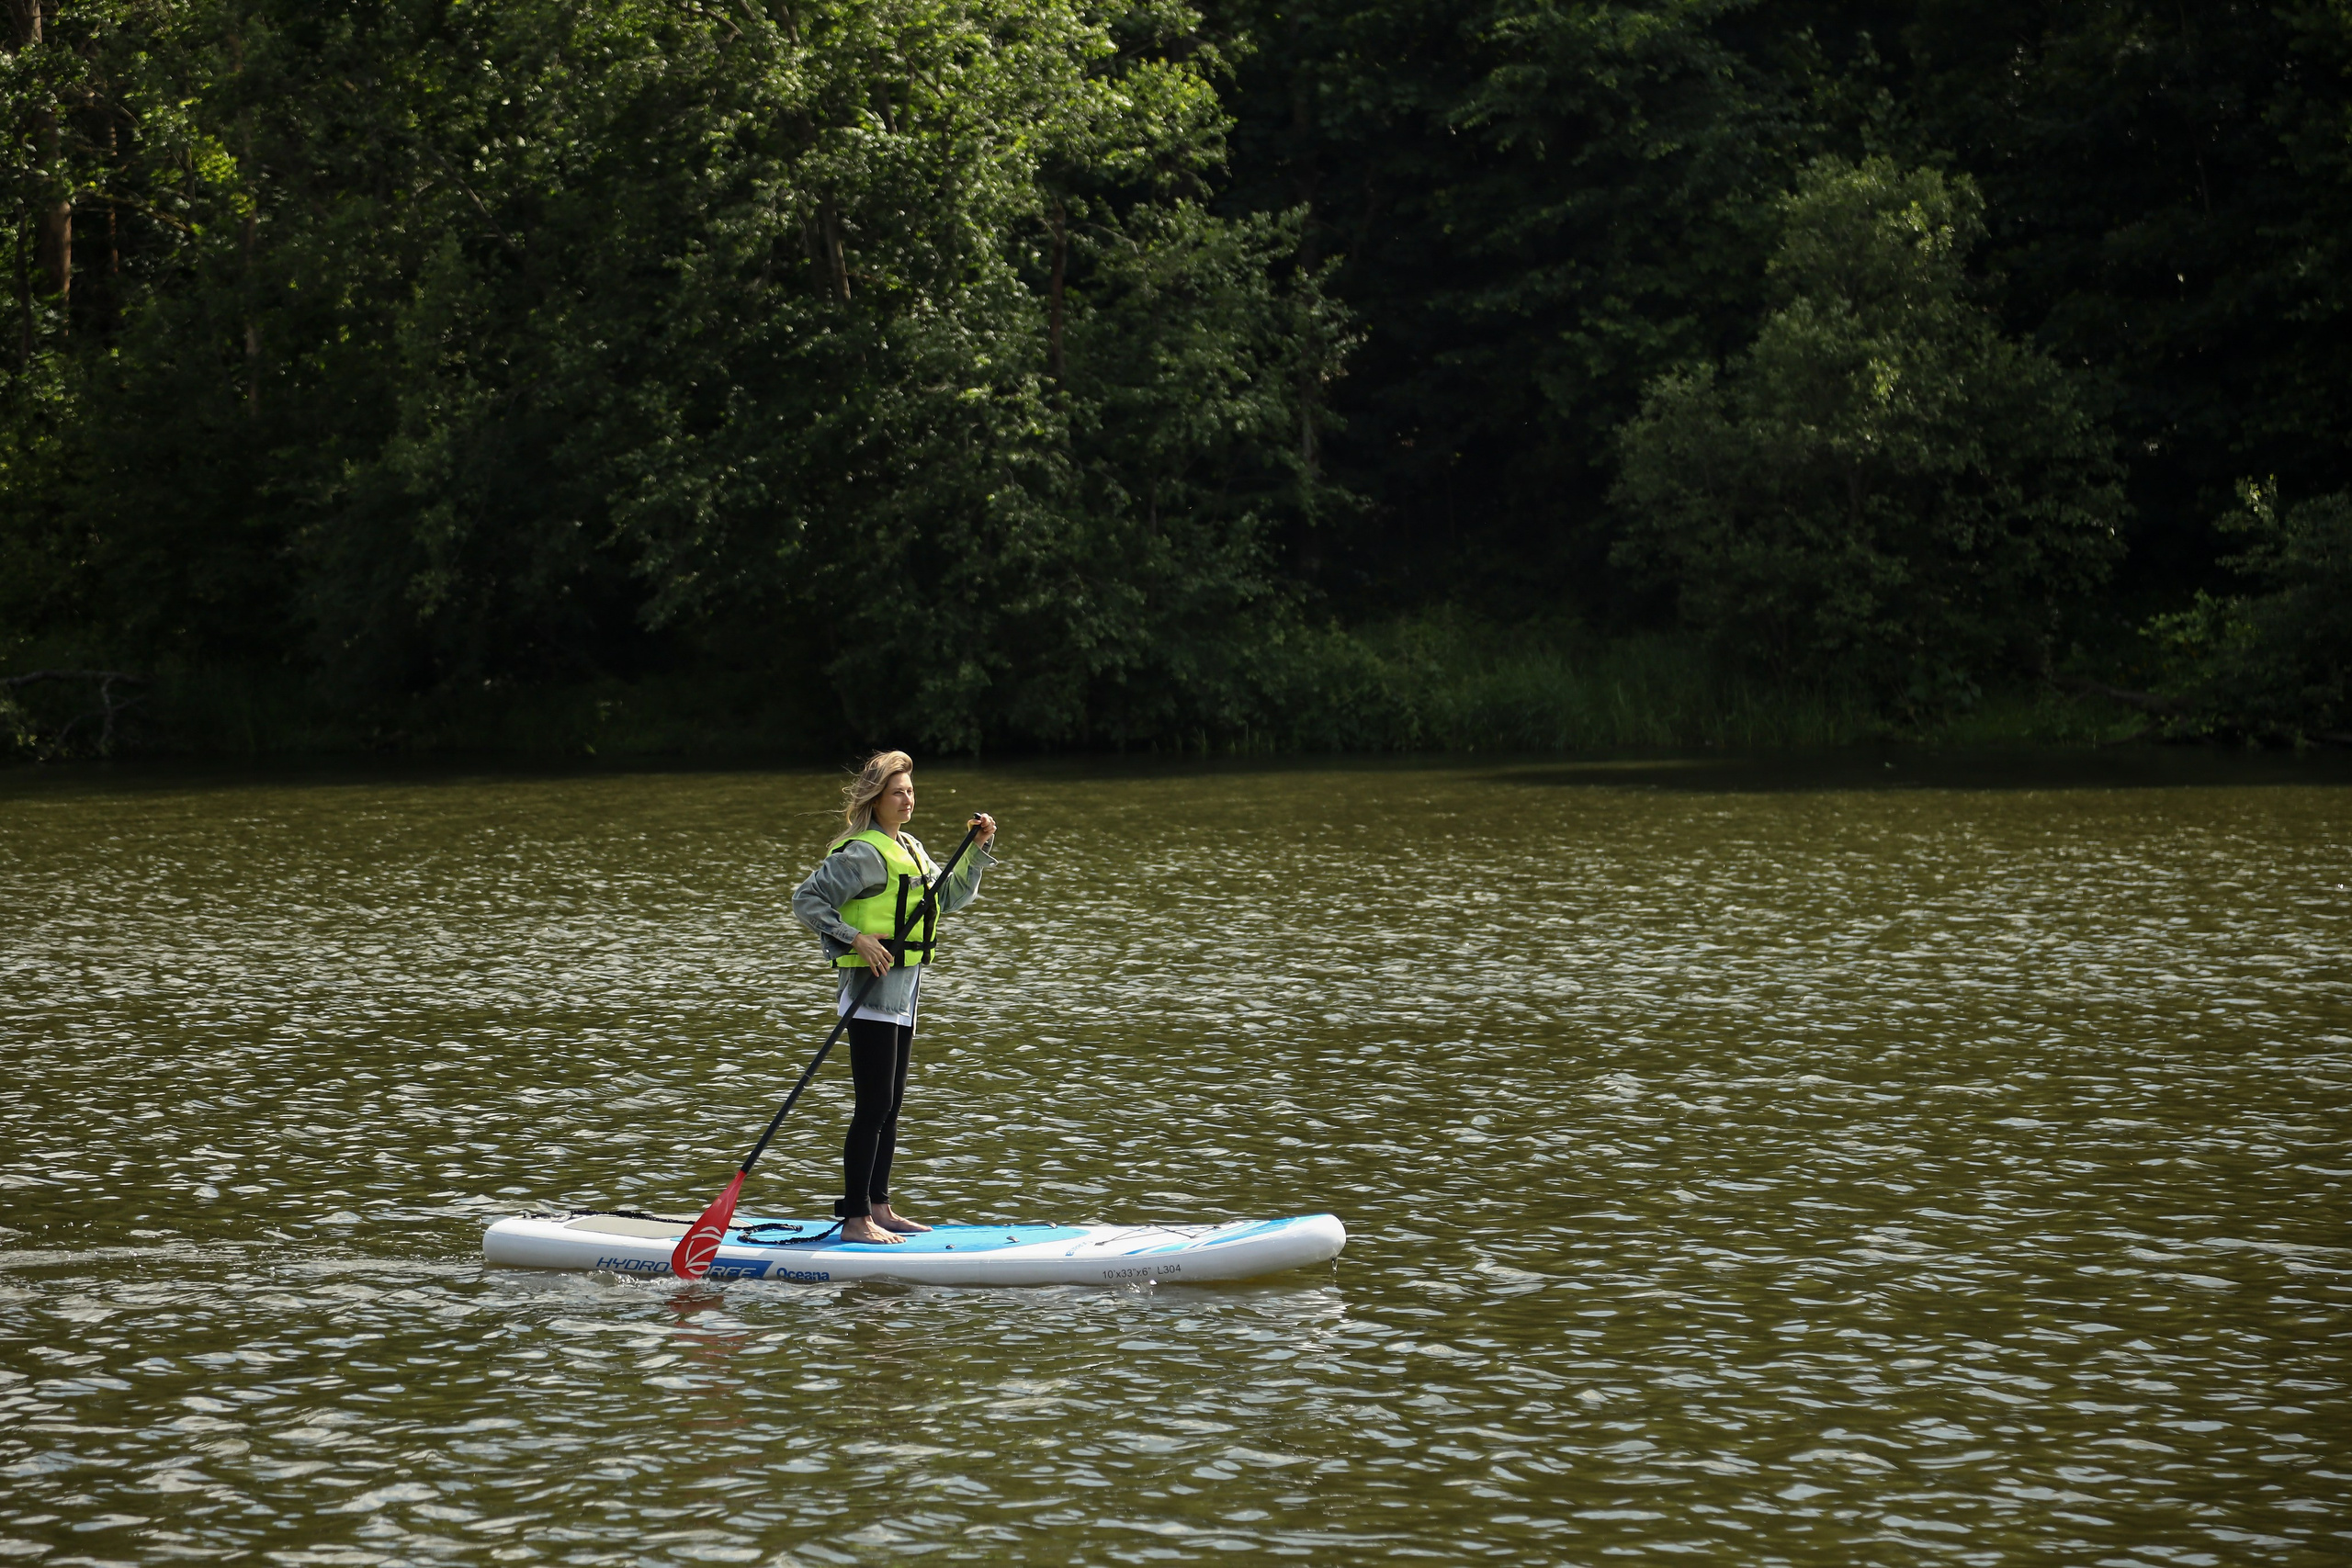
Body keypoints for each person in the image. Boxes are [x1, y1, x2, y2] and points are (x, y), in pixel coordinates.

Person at [791, 750, 998, 1245]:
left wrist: (976, 848)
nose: (907, 799)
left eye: (910, 791)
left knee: (891, 1106)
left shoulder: (912, 847)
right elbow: (807, 901)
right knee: (872, 1105)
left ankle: (880, 1207)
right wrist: (854, 937)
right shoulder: (860, 853)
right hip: (870, 991)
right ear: (876, 800)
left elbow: (947, 899)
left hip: (905, 990)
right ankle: (855, 1218)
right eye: (897, 792)